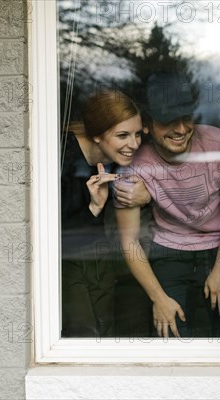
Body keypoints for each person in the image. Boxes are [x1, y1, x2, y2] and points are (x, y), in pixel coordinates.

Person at [115, 70, 220, 338]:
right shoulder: (134, 166)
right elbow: (129, 242)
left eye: (186, 118)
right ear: (147, 124)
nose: (181, 129)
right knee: (170, 335)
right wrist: (158, 297)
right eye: (169, 121)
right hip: (168, 252)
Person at [61, 89, 151, 337]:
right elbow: (52, 233)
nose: (133, 144)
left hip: (101, 260)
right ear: (97, 135)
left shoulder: (122, 156)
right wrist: (94, 208)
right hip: (65, 262)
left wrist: (148, 195)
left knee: (107, 335)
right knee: (84, 336)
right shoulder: (61, 158)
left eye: (137, 134)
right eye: (123, 135)